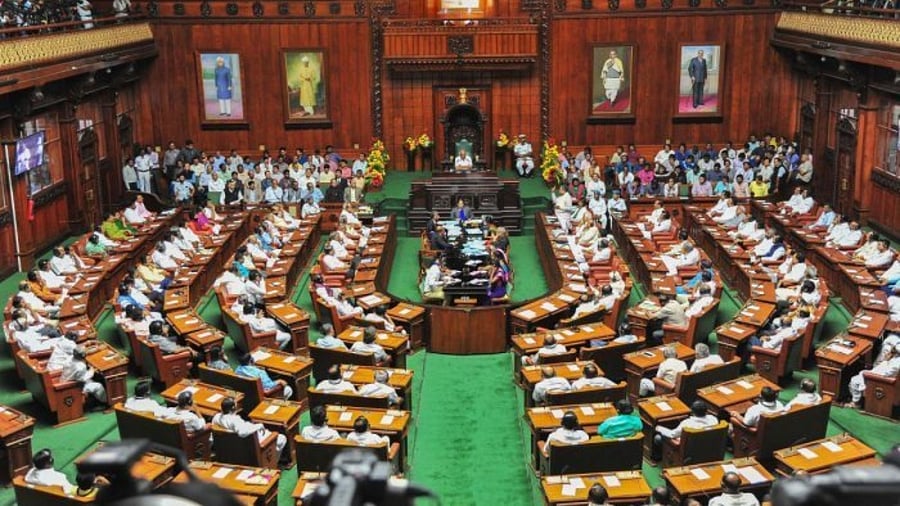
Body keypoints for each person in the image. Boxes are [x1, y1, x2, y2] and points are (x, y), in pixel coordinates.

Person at [212, 397, 288, 461]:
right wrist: (258, 426)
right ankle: (271, 463)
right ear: (233, 408)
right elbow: (242, 433)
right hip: (249, 444)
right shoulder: (235, 420)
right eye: (236, 404)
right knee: (281, 438)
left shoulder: (216, 417)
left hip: (232, 447)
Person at [652, 400, 718, 462]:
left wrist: (659, 428)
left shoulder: (687, 423)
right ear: (706, 411)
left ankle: (658, 458)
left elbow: (672, 434)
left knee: (657, 438)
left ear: (692, 412)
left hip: (689, 451)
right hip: (708, 448)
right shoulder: (714, 419)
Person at [846, 343, 900, 409]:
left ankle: (856, 403)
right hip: (877, 376)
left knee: (855, 380)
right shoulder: (896, 358)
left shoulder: (897, 364)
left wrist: (867, 373)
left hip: (881, 382)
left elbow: (884, 374)